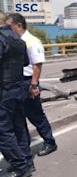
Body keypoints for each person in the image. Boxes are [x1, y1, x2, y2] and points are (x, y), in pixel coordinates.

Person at [7, 13, 58, 157]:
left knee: (35, 115)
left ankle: (50, 141)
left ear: (18, 25)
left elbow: (37, 65)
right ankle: (24, 148)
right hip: (14, 83)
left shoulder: (31, 41)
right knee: (18, 118)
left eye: (9, 26)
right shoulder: (12, 41)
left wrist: (34, 85)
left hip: (28, 82)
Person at [0, 11, 34, 177]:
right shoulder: (18, 39)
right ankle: (27, 161)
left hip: (3, 91)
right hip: (18, 89)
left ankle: (21, 166)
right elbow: (26, 62)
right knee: (19, 126)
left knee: (4, 131)